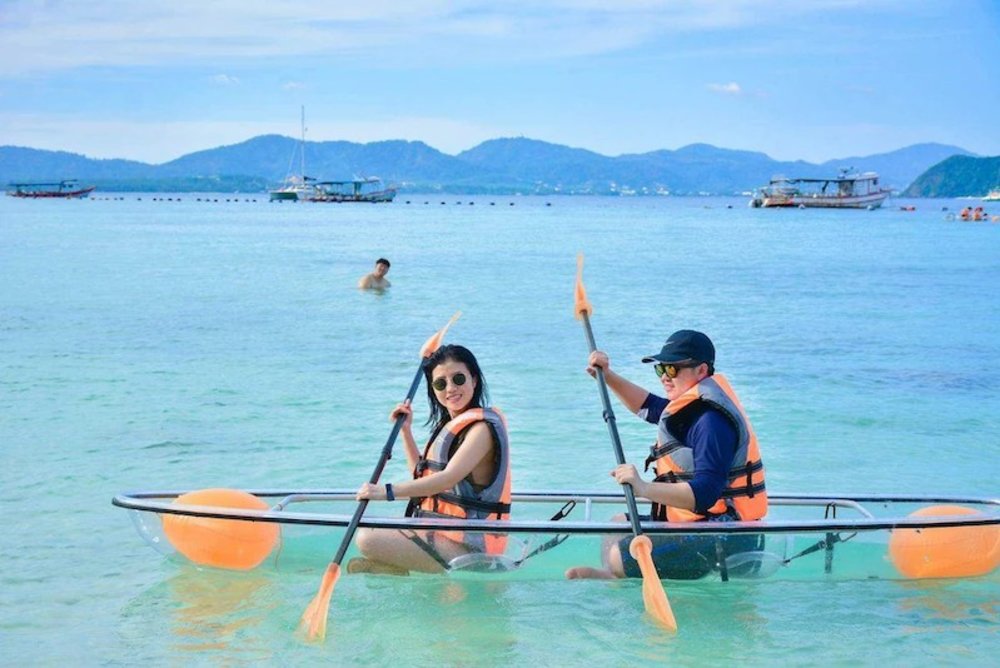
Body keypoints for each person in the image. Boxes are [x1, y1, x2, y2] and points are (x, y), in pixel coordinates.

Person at [566, 330, 767, 580]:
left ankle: (616, 576)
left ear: (701, 371)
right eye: (661, 369)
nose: (664, 377)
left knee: (619, 555)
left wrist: (643, 487)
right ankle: (617, 579)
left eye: (672, 370)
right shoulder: (691, 408)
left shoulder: (710, 423)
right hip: (698, 522)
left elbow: (705, 493)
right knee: (616, 525)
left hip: (725, 534)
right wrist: (607, 376)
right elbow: (649, 408)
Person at [351, 345, 512, 574]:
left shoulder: (482, 430)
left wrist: (385, 491)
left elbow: (448, 479)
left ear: (474, 380)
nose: (450, 389)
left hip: (471, 550)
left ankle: (395, 570)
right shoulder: (451, 427)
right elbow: (423, 478)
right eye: (440, 383)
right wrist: (406, 431)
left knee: (367, 537)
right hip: (445, 537)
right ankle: (395, 570)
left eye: (458, 379)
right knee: (378, 529)